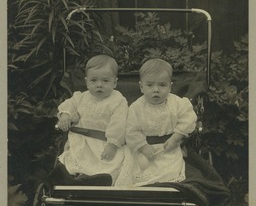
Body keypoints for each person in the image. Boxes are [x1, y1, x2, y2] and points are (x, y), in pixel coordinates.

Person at [51, 54, 129, 186]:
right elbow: (68, 105)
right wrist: (65, 116)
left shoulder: (118, 101)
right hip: (82, 141)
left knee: (106, 162)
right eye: (94, 81)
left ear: (114, 83)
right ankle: (74, 177)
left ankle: (96, 179)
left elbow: (119, 124)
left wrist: (112, 144)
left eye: (105, 81)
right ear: (87, 82)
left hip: (104, 143)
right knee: (74, 157)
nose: (99, 85)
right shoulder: (81, 97)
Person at [125, 58, 197, 186]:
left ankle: (166, 185)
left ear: (170, 87)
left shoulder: (176, 103)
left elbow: (188, 118)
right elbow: (131, 130)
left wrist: (176, 138)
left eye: (162, 85)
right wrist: (142, 146)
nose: (156, 90)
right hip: (146, 148)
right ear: (142, 87)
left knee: (170, 171)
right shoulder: (136, 107)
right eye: (150, 85)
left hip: (169, 147)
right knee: (140, 172)